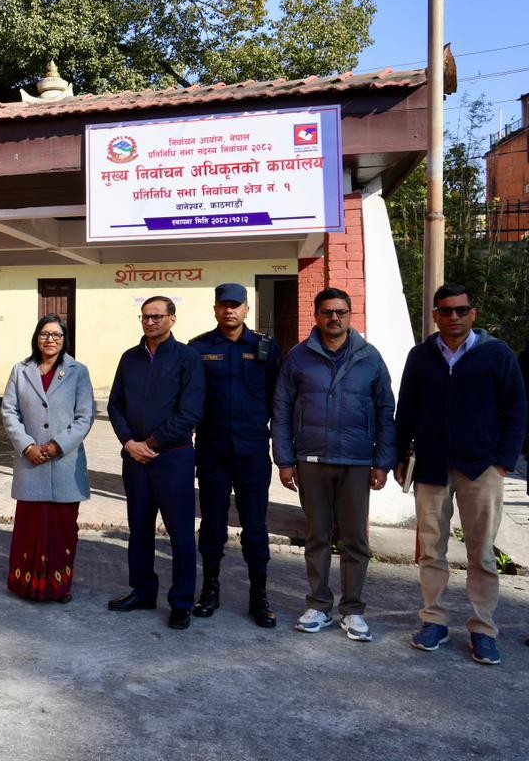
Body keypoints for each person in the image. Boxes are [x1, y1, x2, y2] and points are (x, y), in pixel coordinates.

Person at [395, 284, 527, 665]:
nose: (453, 317)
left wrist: (503, 462)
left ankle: (483, 628)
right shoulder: (420, 357)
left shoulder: (496, 355)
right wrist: (401, 455)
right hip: (432, 468)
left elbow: (517, 411)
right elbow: (407, 410)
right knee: (431, 551)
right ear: (435, 315)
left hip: (481, 469)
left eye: (461, 310)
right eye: (446, 311)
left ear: (474, 314)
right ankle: (433, 620)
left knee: (481, 553)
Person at [273, 287, 395, 642]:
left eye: (340, 311)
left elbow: (386, 411)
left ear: (350, 314)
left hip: (357, 461)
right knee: (317, 537)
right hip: (310, 460)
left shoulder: (370, 358)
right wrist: (284, 459)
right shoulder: (298, 357)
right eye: (327, 312)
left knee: (355, 540)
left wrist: (382, 462)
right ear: (317, 316)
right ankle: (319, 605)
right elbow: (280, 411)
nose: (334, 318)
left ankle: (353, 610)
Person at [106, 296, 204, 629]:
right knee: (140, 530)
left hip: (172, 458)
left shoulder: (187, 359)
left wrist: (150, 443)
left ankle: (181, 602)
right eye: (146, 316)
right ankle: (143, 591)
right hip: (134, 459)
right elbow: (115, 405)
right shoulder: (129, 358)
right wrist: (129, 443)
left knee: (180, 534)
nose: (151, 322)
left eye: (158, 316)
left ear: (172, 320)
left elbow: (190, 412)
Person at [188, 283, 282, 627]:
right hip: (212, 451)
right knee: (212, 525)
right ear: (215, 309)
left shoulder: (266, 349)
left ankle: (259, 595)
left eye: (236, 305)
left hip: (253, 452)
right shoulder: (197, 349)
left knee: (255, 527)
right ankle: (210, 589)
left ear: (246, 309)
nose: (229, 311)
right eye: (223, 305)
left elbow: (279, 400)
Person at [0, 314, 94, 603]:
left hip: (65, 463)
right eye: (44, 334)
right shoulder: (21, 370)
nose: (50, 339)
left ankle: (59, 587)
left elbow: (84, 417)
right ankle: (25, 585)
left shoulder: (78, 371)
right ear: (36, 337)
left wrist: (57, 446)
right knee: (30, 528)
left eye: (56, 335)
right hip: (31, 462)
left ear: (65, 340)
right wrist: (27, 446)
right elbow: (9, 412)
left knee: (62, 529)